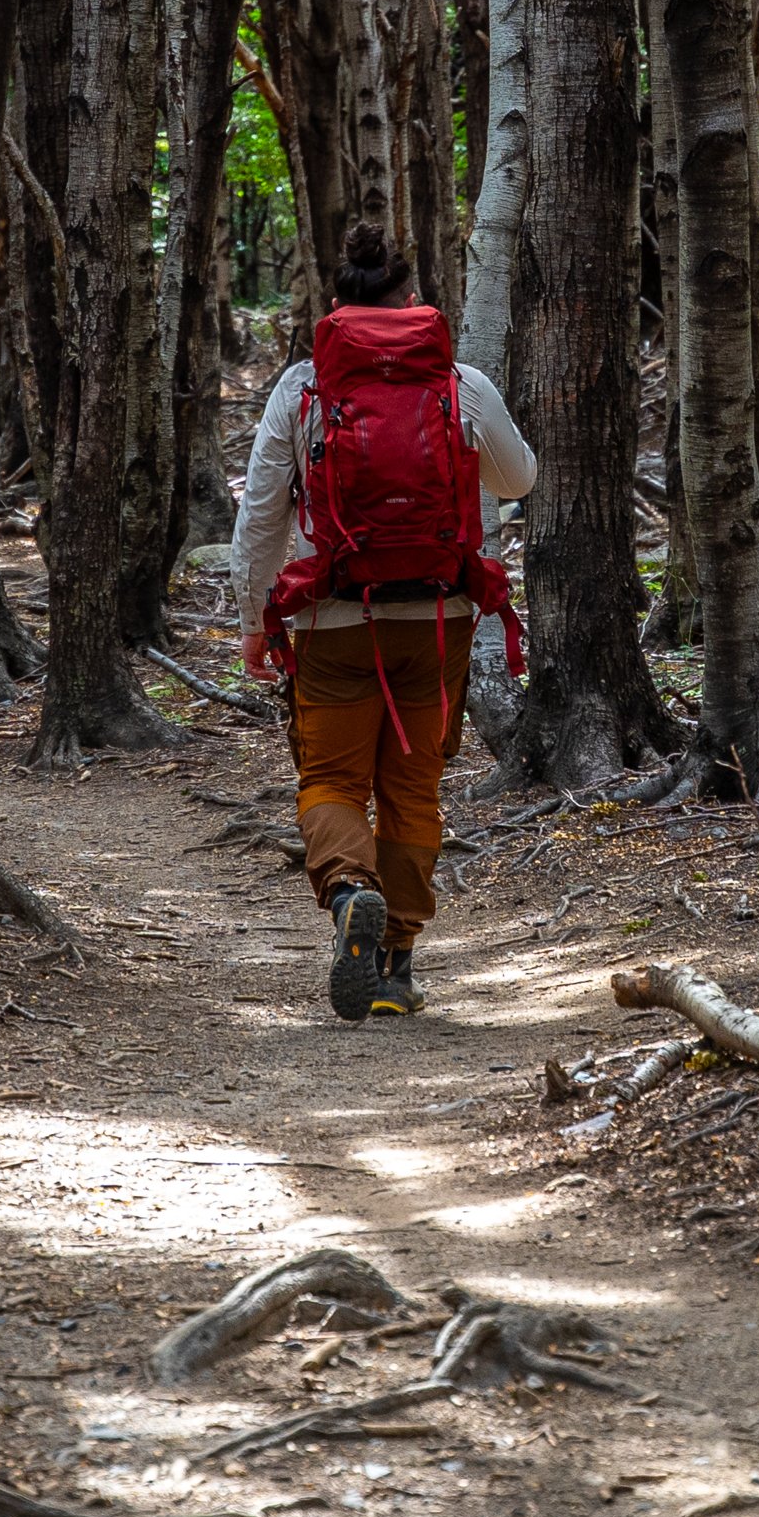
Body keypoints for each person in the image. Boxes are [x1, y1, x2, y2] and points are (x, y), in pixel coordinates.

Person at [230, 224, 535, 1018]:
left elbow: (262, 515)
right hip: (438, 617)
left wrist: (253, 618)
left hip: (332, 617)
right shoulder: (457, 382)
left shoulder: (302, 389)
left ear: (335, 309)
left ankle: (348, 893)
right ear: (411, 302)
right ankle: (396, 964)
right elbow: (521, 476)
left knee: (330, 779)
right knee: (414, 789)